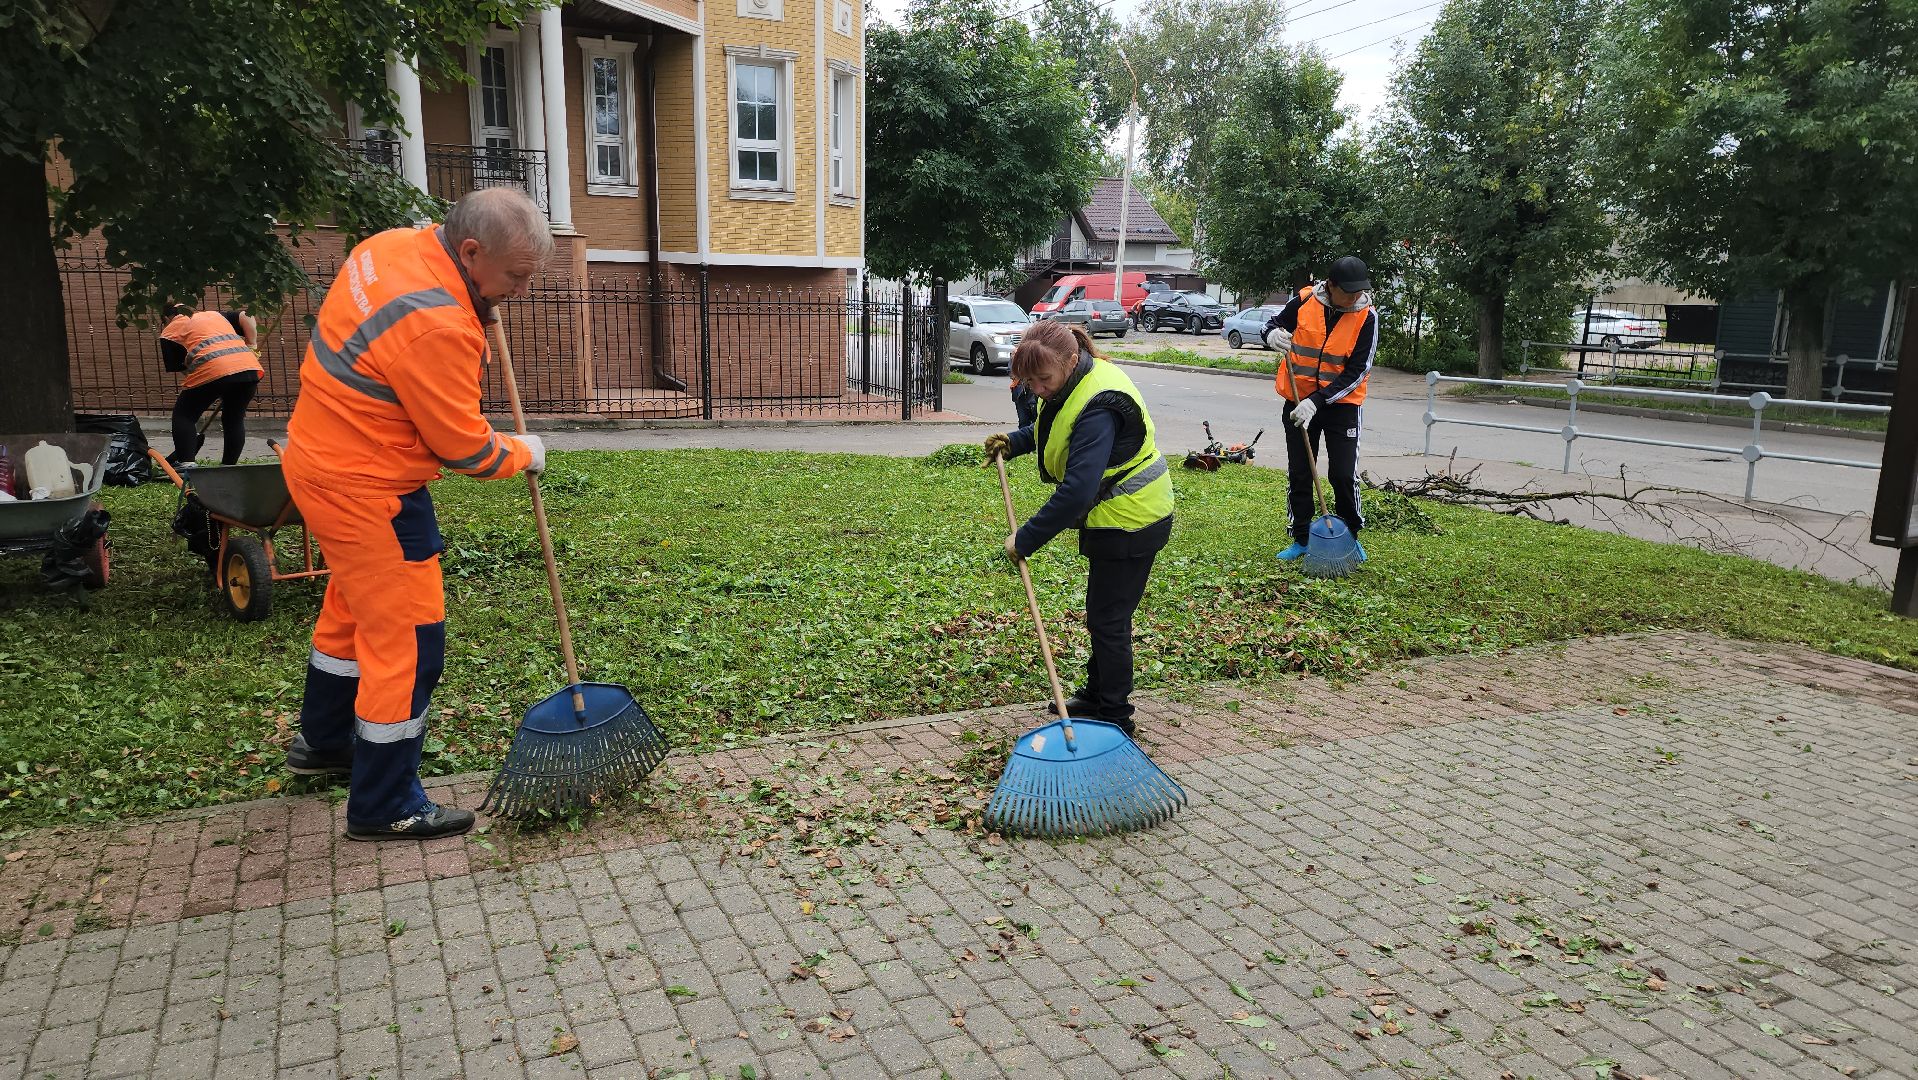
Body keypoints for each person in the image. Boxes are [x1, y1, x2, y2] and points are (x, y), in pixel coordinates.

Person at [281, 188, 550, 841]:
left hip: (318, 460)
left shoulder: (388, 249)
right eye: (513, 277)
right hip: (368, 488)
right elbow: (464, 448)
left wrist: (477, 302)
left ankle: (325, 743)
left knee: (352, 609)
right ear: (470, 251)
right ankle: (385, 802)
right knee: (408, 640)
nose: (517, 292)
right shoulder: (436, 323)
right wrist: (526, 452)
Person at [983, 320, 1173, 736]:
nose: (1037, 390)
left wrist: (1026, 539)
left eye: (1043, 379)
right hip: (1116, 517)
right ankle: (1095, 695)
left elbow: (1076, 492)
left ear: (1071, 360)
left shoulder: (1102, 405)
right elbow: (1059, 429)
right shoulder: (1074, 380)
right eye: (1029, 381)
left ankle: (1115, 715)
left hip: (1132, 518)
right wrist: (1015, 442)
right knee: (1103, 615)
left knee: (1109, 620)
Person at [1264, 255, 1378, 563]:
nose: (1355, 297)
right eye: (1349, 292)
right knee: (1300, 473)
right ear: (1331, 286)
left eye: (1359, 291)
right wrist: (1271, 335)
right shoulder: (1304, 301)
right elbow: (1274, 324)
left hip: (1342, 406)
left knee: (1342, 475)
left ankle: (1350, 536)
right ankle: (1301, 537)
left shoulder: (1367, 316)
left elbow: (1357, 371)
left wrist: (1317, 401)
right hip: (1297, 401)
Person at [160, 303, 264, 466]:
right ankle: (229, 466)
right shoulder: (214, 315)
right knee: (234, 418)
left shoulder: (169, 331)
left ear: (166, 318)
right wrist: (252, 345)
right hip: (249, 369)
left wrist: (217, 382)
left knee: (184, 415)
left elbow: (185, 370)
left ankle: (187, 464)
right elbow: (246, 315)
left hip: (213, 370)